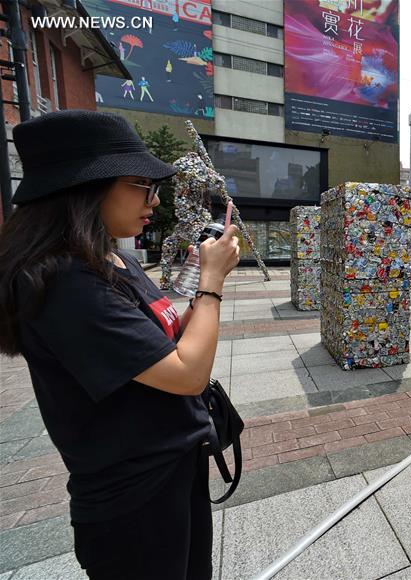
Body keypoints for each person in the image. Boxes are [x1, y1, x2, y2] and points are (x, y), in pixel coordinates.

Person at [0, 110, 240, 580]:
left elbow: (164, 341)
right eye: (141, 185)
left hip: (171, 467)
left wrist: (200, 286)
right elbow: (187, 373)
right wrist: (211, 283)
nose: (153, 199)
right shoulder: (64, 281)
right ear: (86, 186)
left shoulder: (110, 257)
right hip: (134, 498)